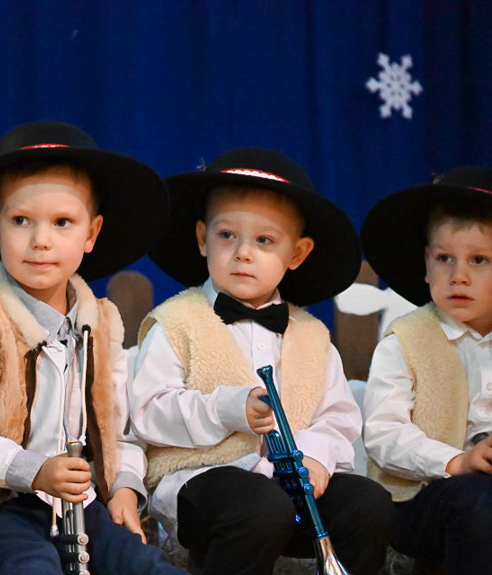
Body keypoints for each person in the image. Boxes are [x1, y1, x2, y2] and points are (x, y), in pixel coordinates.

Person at [0, 120, 184, 574]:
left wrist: (123, 485)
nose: (40, 240)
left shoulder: (100, 322)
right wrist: (33, 470)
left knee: (145, 566)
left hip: (77, 503)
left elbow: (118, 427)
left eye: (63, 222)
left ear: (91, 233)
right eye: (21, 220)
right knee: (32, 567)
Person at [132, 147, 393, 575]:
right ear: (202, 238)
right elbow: (147, 412)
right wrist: (228, 408)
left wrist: (314, 456)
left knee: (367, 503)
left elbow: (338, 418)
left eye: (264, 240)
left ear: (297, 253)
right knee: (259, 504)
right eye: (227, 236)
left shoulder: (312, 336)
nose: (243, 253)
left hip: (290, 489)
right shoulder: (175, 322)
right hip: (202, 484)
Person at [361, 167, 492, 574]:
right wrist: (457, 461)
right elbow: (383, 435)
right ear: (425, 263)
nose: (459, 276)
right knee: (478, 501)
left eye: (479, 260)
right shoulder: (407, 340)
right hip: (420, 500)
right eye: (444, 259)